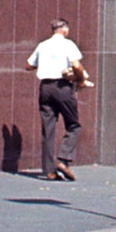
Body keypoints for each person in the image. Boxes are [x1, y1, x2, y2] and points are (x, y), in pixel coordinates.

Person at [26, 18, 92, 181]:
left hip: (45, 87)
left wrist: (43, 64)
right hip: (62, 87)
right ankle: (63, 159)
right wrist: (81, 79)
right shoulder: (68, 44)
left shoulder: (43, 45)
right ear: (64, 29)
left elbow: (28, 65)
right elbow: (76, 65)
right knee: (73, 124)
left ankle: (49, 171)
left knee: (47, 128)